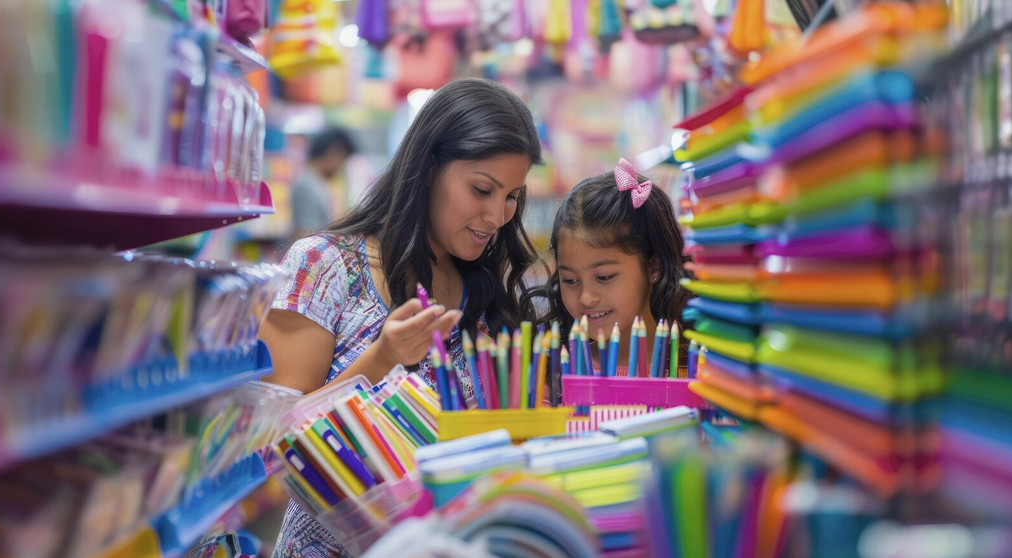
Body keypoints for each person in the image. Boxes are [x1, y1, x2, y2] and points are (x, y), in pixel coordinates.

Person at [262, 78, 543, 557]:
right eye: (482, 189)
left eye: (512, 195)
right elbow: (273, 443)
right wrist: (383, 357)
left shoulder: (485, 294)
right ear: (428, 166)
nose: (498, 215)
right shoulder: (323, 265)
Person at [525, 158, 693, 377]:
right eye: (570, 280)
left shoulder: (694, 364)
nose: (586, 298)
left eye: (604, 277)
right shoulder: (553, 371)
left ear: (653, 268)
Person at [291, 128, 357, 235]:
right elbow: (303, 231)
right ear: (333, 152)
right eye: (342, 160)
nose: (340, 167)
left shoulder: (315, 182)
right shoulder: (307, 184)